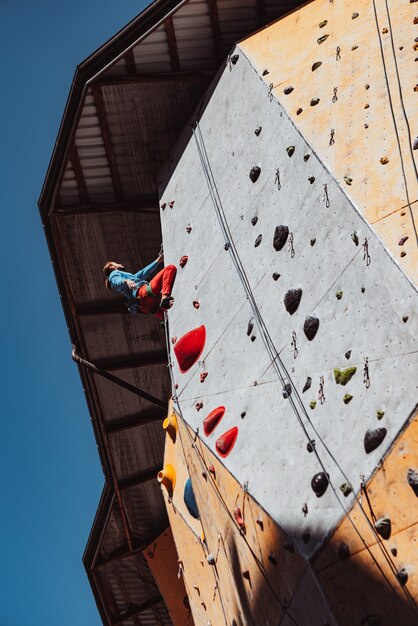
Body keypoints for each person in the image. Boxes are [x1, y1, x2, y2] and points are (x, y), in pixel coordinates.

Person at [103, 251, 177, 319]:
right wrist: (127, 281)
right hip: (143, 292)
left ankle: (164, 304)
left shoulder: (128, 278)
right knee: (170, 268)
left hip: (145, 306)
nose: (118, 264)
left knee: (170, 318)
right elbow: (117, 281)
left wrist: (157, 261)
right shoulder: (113, 274)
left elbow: (142, 273)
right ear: (111, 266)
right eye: (115, 263)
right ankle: (165, 297)